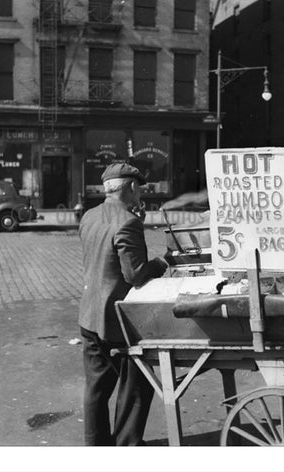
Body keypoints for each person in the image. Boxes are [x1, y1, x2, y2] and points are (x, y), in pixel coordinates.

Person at [78, 162, 168, 446]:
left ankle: (97, 448)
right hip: (114, 320)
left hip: (89, 315)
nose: (140, 191)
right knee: (139, 382)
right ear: (130, 187)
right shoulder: (128, 221)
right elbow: (136, 275)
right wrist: (162, 262)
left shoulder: (89, 216)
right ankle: (127, 445)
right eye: (138, 186)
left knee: (96, 387)